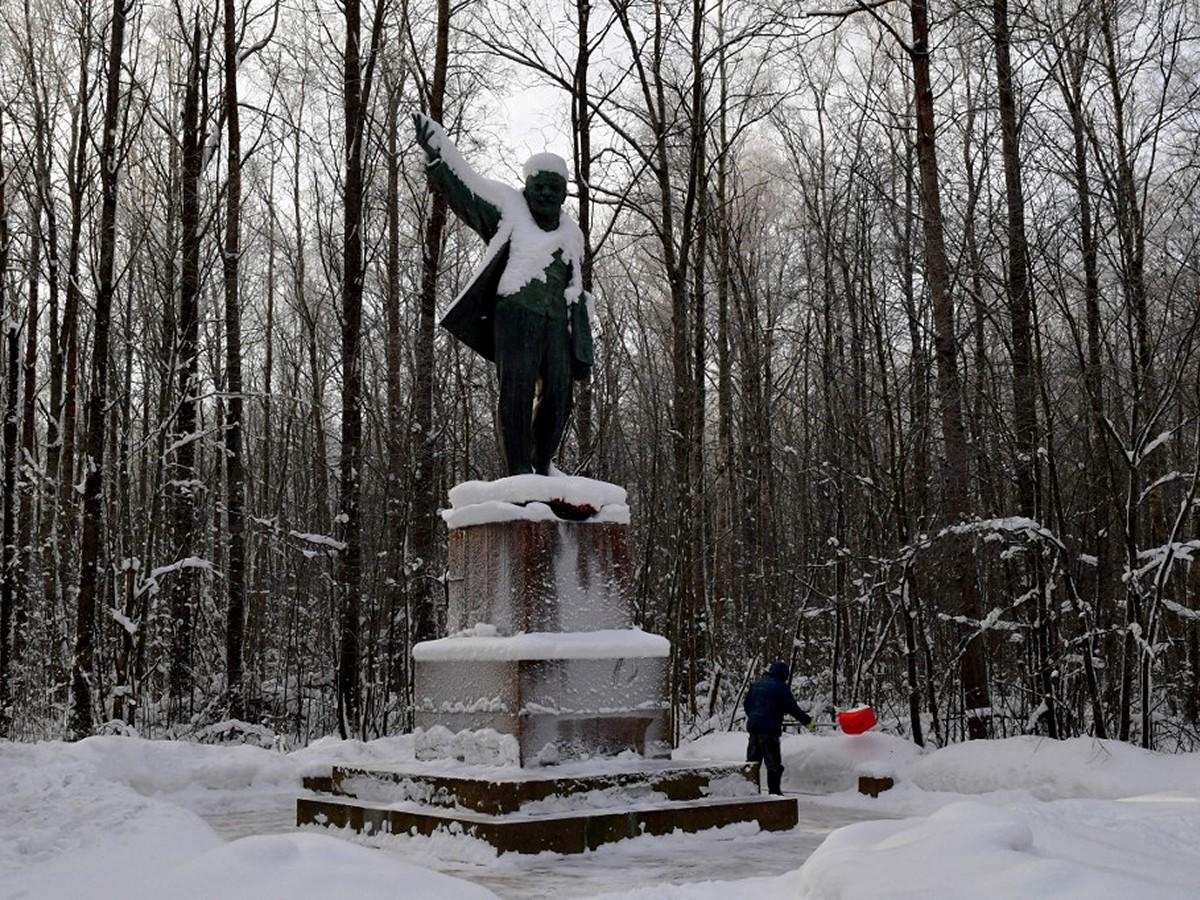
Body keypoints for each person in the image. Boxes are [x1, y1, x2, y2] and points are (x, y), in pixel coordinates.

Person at [413, 113, 594, 476]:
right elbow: (469, 192)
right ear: (527, 188)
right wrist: (438, 156)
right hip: (516, 314)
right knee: (517, 392)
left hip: (557, 323)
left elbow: (576, 288)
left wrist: (581, 337)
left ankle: (542, 465)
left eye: (553, 188)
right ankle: (518, 472)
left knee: (559, 397)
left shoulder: (574, 235)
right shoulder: (509, 210)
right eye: (538, 187)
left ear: (563, 194)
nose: (545, 194)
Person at [744, 661, 814, 795]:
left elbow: (747, 705)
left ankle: (749, 792)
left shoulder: (757, 684)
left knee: (752, 763)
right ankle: (774, 793)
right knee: (773, 764)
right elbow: (793, 708)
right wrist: (808, 722)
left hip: (754, 727)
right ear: (783, 675)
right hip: (769, 730)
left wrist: (756, 717)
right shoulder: (781, 687)